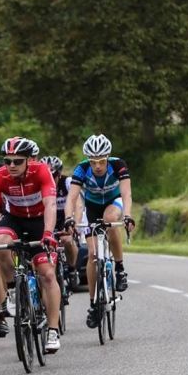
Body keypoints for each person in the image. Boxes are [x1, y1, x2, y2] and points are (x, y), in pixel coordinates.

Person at [0, 137, 63, 354]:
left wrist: (48, 233)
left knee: (47, 275)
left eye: (17, 161)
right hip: (14, 219)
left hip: (39, 220)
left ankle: (53, 330)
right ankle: (12, 290)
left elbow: (50, 204)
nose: (12, 166)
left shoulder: (41, 171)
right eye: (7, 161)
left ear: (28, 160)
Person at [65, 134, 135, 328]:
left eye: (101, 161)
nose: (97, 166)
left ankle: (120, 269)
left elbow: (127, 193)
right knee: (93, 254)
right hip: (92, 207)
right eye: (93, 161)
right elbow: (72, 198)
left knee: (110, 220)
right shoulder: (82, 169)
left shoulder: (118, 165)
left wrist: (128, 215)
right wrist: (69, 219)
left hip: (114, 203)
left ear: (108, 158)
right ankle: (94, 303)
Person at [42, 155, 79, 287]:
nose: (51, 180)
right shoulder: (40, 185)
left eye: (54, 176)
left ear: (59, 174)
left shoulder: (67, 182)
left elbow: (78, 204)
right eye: (48, 176)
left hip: (65, 218)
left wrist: (76, 223)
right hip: (48, 219)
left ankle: (72, 269)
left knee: (68, 241)